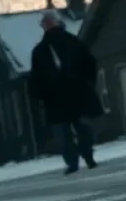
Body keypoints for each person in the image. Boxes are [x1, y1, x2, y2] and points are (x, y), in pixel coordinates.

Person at [29, 12, 102, 175]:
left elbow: (89, 64)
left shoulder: (66, 44)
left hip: (69, 95)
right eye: (45, 24)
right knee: (70, 131)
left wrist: (87, 83)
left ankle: (83, 158)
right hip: (62, 97)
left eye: (49, 23)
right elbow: (36, 78)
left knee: (77, 130)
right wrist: (41, 95)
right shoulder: (46, 50)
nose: (48, 26)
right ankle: (78, 160)